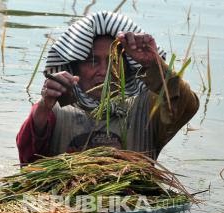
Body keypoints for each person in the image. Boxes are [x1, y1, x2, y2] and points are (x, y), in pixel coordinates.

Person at [17, 11, 199, 164]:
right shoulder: (54, 109)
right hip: (65, 204)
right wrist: (43, 106)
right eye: (92, 61)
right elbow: (28, 160)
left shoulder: (146, 108)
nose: (103, 72)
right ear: (74, 66)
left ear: (126, 69)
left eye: (114, 62)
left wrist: (154, 64)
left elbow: (186, 105)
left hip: (133, 204)